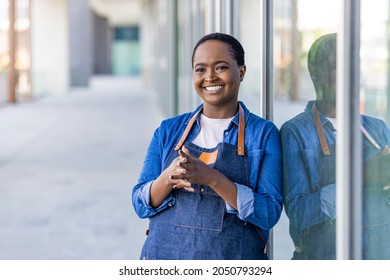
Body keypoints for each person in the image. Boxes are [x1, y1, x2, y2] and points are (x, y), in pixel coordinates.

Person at [132, 32, 283, 260]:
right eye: (200, 69)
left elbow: (269, 214)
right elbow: (140, 205)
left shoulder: (262, 134)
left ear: (241, 72)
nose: (209, 77)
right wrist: (167, 178)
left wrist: (213, 178)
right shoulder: (168, 131)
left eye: (220, 67)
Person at [280, 33, 390, 260]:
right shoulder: (296, 133)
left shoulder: (378, 129)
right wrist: (360, 176)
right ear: (314, 72)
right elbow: (300, 214)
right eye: (338, 65)